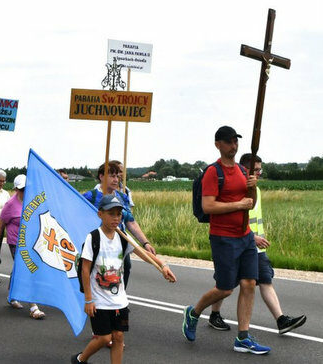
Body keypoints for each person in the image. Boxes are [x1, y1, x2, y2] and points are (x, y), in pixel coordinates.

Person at [182, 126, 270, 354]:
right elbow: (208, 206)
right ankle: (194, 312)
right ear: (218, 144)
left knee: (250, 283)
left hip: (245, 237)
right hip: (223, 238)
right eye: (229, 141)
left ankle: (243, 337)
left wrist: (252, 187)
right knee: (225, 289)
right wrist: (238, 205)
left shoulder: (243, 170)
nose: (234, 145)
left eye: (235, 141)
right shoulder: (213, 172)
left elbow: (248, 200)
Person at [208, 153, 307, 334]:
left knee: (265, 279)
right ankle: (213, 314)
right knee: (225, 285)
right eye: (256, 170)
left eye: (260, 169)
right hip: (238, 243)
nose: (259, 173)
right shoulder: (237, 189)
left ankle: (281, 320)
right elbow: (235, 217)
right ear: (244, 169)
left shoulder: (257, 190)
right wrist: (252, 238)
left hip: (255, 248)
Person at [71, 195, 176, 364]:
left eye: (119, 214)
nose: (116, 218)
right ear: (100, 214)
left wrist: (163, 265)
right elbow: (85, 269)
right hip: (99, 300)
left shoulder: (123, 237)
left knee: (118, 337)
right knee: (104, 338)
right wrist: (88, 299)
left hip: (119, 299)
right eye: (111, 213)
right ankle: (81, 359)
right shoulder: (94, 238)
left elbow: (145, 255)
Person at [83, 162, 155, 288]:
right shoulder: (91, 196)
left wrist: (145, 243)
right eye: (112, 176)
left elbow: (130, 221)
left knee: (126, 266)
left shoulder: (122, 197)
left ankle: (120, 297)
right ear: (101, 176)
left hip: (118, 241)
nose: (116, 180)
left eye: (117, 176)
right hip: (97, 242)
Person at [0, 174, 45, 319]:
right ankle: (34, 307)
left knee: (20, 269)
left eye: (27, 188)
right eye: (21, 189)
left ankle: (11, 296)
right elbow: (0, 226)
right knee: (28, 270)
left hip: (31, 242)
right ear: (16, 189)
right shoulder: (10, 205)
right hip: (16, 242)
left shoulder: (33, 202)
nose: (24, 191)